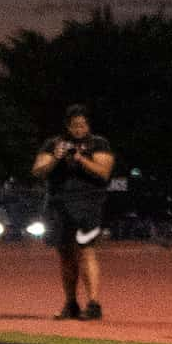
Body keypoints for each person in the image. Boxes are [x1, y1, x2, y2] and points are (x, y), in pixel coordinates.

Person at [30, 107, 115, 320]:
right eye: (75, 125)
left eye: (83, 125)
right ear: (67, 126)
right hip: (58, 204)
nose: (79, 129)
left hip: (87, 205)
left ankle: (93, 303)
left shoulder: (98, 144)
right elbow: (38, 171)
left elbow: (104, 172)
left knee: (86, 251)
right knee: (65, 255)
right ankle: (71, 302)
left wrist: (80, 158)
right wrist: (55, 158)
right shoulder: (53, 143)